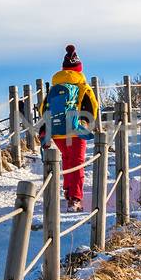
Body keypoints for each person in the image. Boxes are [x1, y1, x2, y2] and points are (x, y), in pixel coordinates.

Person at [38, 45, 99, 210]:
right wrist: (86, 125)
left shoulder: (54, 88)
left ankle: (68, 191)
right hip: (76, 129)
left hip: (57, 132)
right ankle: (75, 198)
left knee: (67, 159)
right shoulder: (82, 86)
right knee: (77, 162)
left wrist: (45, 131)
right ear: (79, 69)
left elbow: (44, 110)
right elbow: (92, 108)